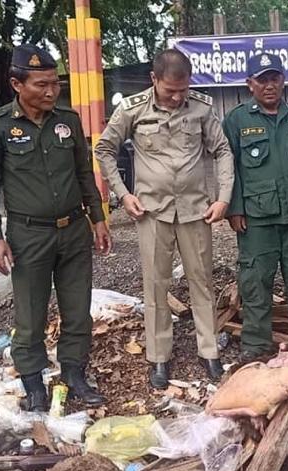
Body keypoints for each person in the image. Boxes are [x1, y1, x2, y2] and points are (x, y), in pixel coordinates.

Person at [0, 44, 111, 411]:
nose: (51, 92)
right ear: (17, 84)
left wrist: (98, 217)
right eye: (41, 85)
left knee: (77, 308)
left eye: (55, 83)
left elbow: (84, 172)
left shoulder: (68, 121)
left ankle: (74, 374)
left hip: (74, 230)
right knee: (31, 314)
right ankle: (34, 383)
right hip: (28, 234)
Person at [94, 49, 233, 386]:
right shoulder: (133, 109)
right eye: (170, 90)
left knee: (202, 282)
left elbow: (222, 150)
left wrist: (223, 198)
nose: (177, 97)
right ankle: (159, 357)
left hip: (195, 211)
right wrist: (123, 194)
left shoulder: (201, 108)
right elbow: (105, 149)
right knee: (156, 286)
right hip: (152, 212)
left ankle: (209, 351)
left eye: (183, 89)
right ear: (153, 79)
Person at [223, 53, 288, 359]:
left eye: (274, 78)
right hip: (256, 219)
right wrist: (233, 208)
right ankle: (255, 347)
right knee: (256, 284)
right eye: (262, 80)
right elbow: (228, 168)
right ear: (249, 84)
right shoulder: (237, 120)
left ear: (283, 81)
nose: (269, 85)